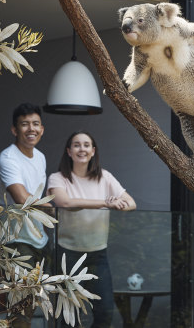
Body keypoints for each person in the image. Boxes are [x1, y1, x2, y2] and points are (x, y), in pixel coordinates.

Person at [47, 131, 136, 328]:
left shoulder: (105, 177)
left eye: (86, 145)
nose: (82, 149)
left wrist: (119, 203)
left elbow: (131, 203)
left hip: (98, 254)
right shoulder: (58, 178)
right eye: (77, 145)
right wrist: (105, 202)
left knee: (105, 311)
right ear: (69, 151)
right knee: (70, 316)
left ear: (93, 151)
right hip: (67, 255)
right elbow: (65, 202)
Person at [0, 102, 53, 327]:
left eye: (36, 124)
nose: (31, 129)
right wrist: (52, 208)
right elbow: (22, 198)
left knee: (31, 304)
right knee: (19, 304)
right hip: (16, 240)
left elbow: (37, 195)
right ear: (14, 129)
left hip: (39, 239)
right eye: (25, 124)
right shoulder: (8, 158)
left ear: (42, 128)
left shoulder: (40, 157)